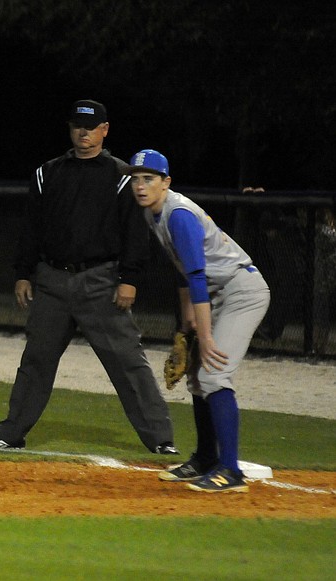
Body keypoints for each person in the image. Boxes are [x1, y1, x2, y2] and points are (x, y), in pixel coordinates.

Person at [0, 100, 177, 455]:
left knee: (127, 363)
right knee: (36, 361)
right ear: (70, 128)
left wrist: (129, 279)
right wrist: (23, 273)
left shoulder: (121, 176)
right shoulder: (47, 173)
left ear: (105, 130)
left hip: (101, 282)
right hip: (52, 280)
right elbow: (31, 228)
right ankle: (10, 434)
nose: (84, 132)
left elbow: (134, 231)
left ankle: (161, 440)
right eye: (78, 126)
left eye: (91, 126)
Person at [126, 149, 270, 493]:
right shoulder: (152, 212)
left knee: (214, 373)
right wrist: (187, 323)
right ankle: (206, 458)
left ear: (166, 182)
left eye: (149, 179)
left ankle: (230, 471)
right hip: (215, 292)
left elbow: (197, 276)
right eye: (135, 179)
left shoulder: (178, 215)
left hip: (242, 291)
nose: (140, 186)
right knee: (195, 377)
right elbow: (182, 270)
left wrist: (205, 338)